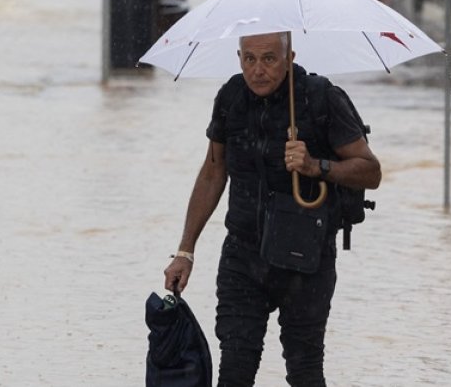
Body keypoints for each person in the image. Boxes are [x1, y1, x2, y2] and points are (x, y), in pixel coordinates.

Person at [162, 32, 381, 387]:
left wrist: (317, 166)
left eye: (269, 59)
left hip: (306, 257)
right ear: (238, 58)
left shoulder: (320, 98)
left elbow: (371, 171)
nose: (258, 70)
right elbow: (212, 173)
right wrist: (185, 251)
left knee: (305, 371)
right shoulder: (230, 98)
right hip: (243, 255)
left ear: (289, 56)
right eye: (249, 59)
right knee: (234, 369)